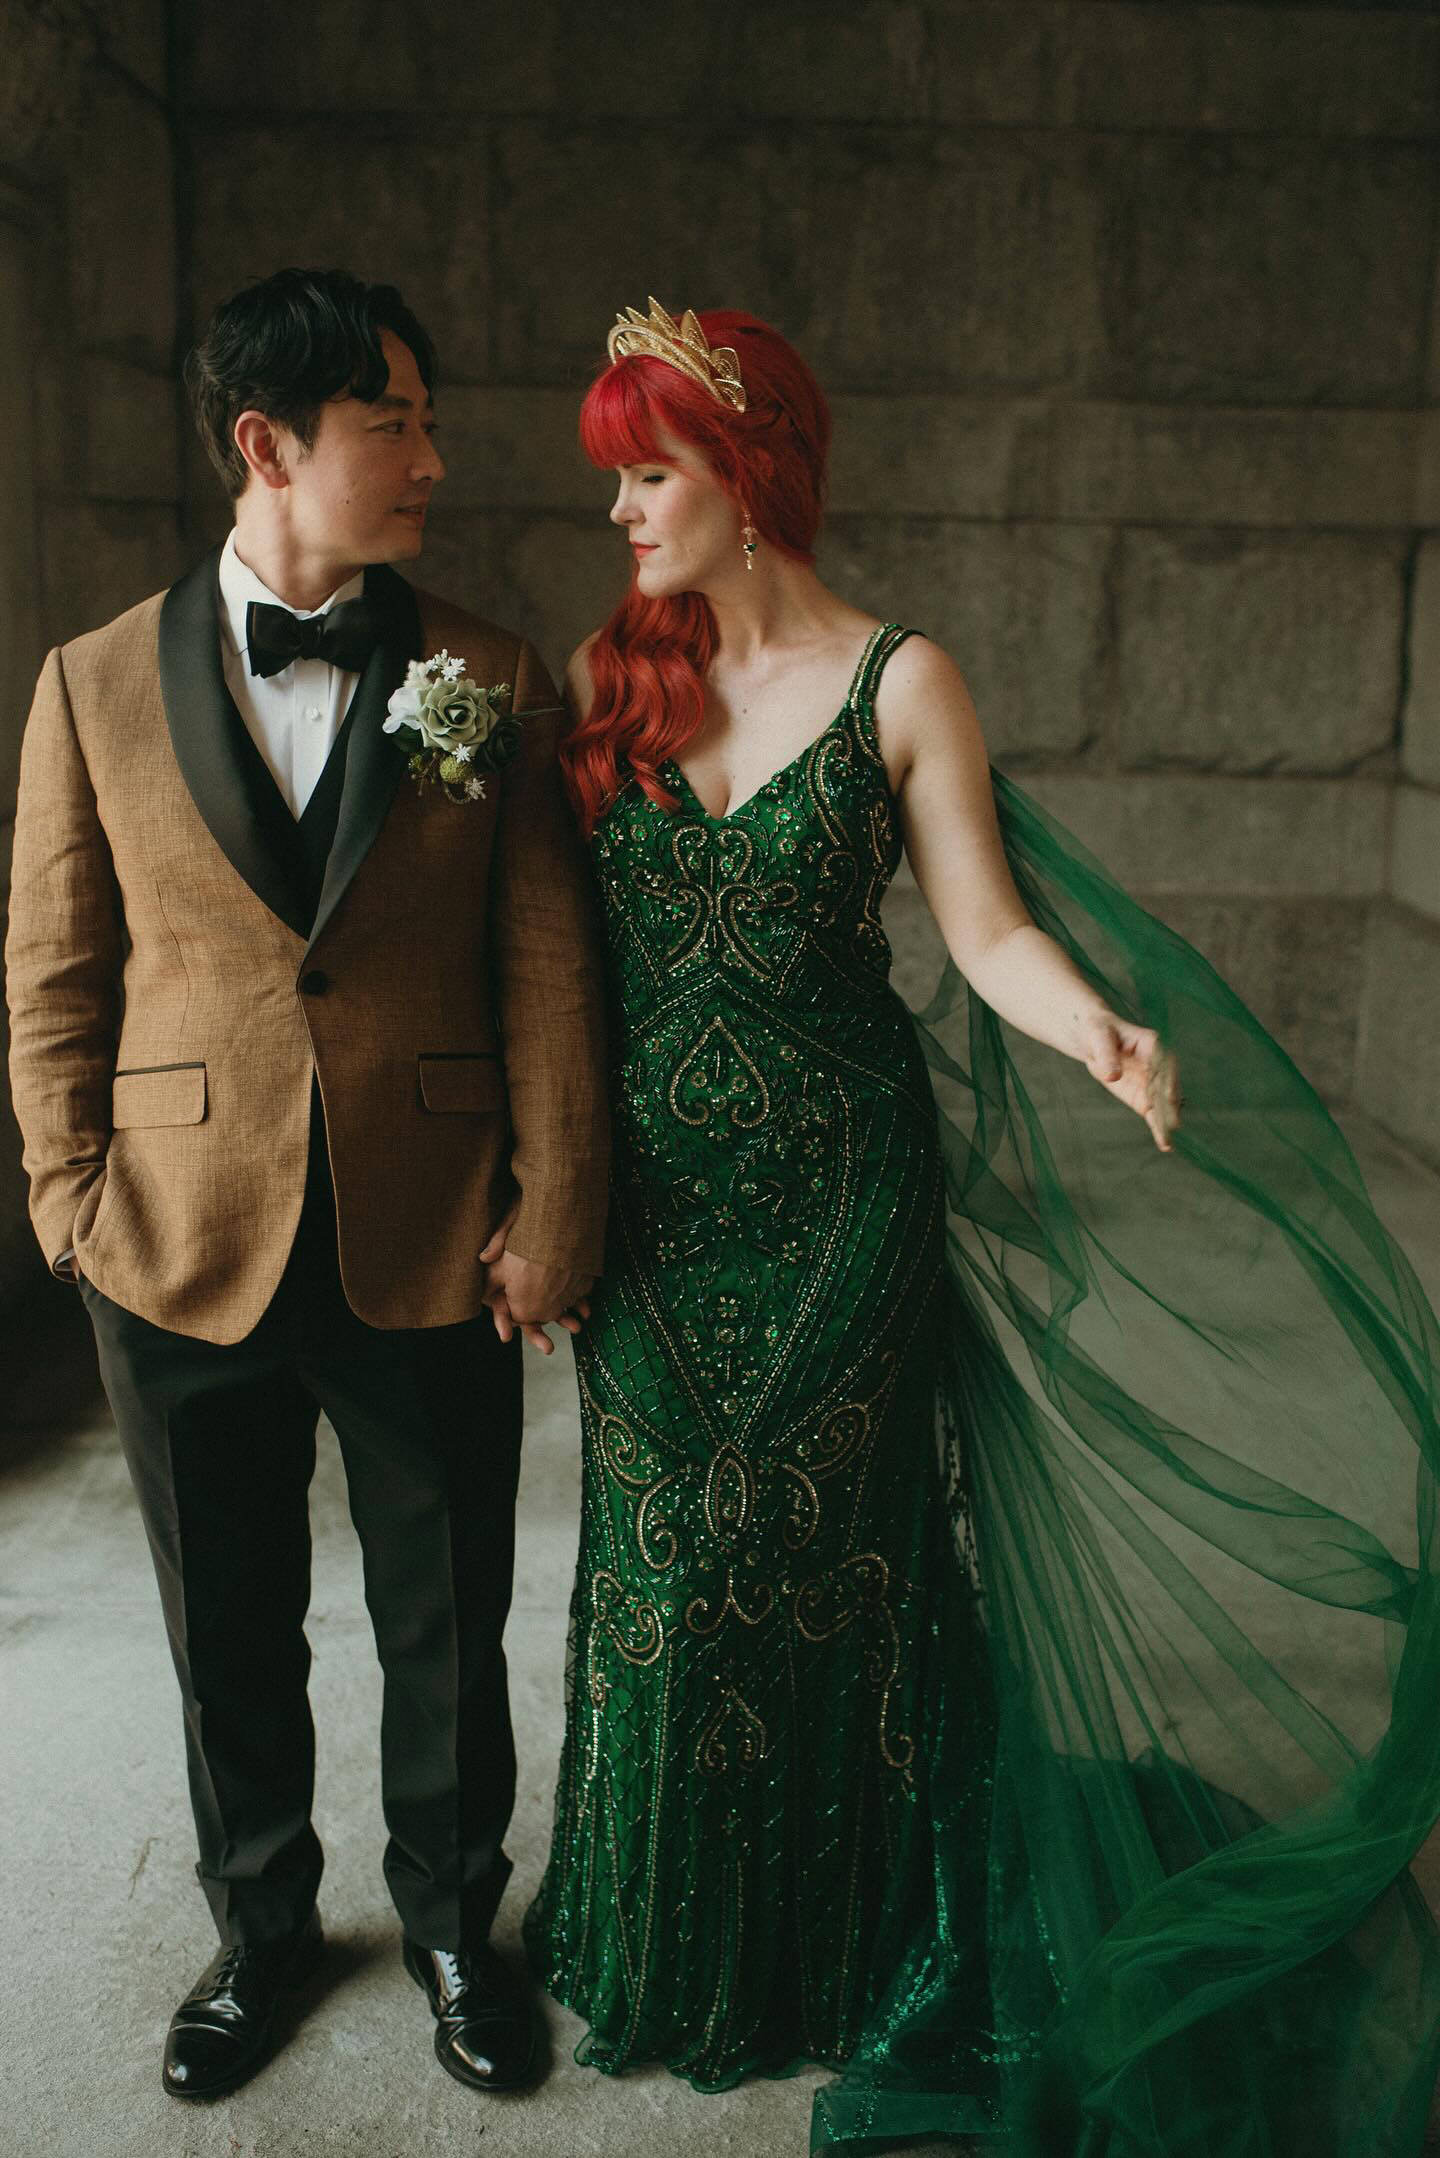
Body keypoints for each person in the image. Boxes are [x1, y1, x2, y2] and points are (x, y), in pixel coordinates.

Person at [518, 301, 1440, 2155]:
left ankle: (854, 1942)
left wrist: (1092, 1024)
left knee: (829, 1565)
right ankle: (676, 1948)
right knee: (660, 1570)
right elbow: (547, 968)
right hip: (661, 1221)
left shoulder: (900, 680)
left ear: (748, 472)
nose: (619, 505)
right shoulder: (607, 676)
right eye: (614, 472)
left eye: (648, 467)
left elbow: (987, 928)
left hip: (846, 1202)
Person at [5, 267, 608, 2103]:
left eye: (426, 421)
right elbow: (53, 972)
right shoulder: (95, 683)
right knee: (230, 1623)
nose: (434, 456)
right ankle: (262, 1930)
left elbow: (549, 969)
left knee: (448, 1612)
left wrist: (554, 1204)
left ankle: (450, 1924)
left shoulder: (486, 674)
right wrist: (70, 1204)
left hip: (434, 1227)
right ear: (269, 444)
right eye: (393, 423)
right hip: (177, 1241)